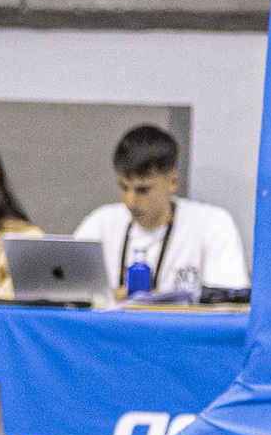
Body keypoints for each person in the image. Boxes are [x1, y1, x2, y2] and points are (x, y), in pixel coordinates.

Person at [68, 123, 248, 303]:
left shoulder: (213, 225)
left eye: (143, 190)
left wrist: (154, 300)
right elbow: (65, 291)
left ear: (173, 181)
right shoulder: (100, 223)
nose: (130, 202)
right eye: (123, 187)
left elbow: (229, 304)